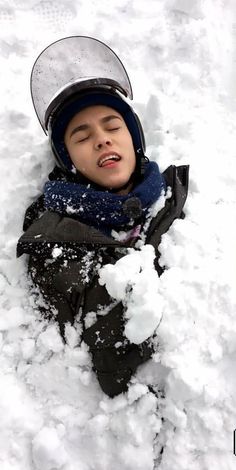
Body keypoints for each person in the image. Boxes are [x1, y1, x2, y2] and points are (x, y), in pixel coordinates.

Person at [17, 36, 189, 398]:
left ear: (133, 139)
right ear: (69, 162)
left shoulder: (180, 196)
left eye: (113, 127)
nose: (102, 140)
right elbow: (110, 349)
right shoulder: (52, 239)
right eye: (82, 137)